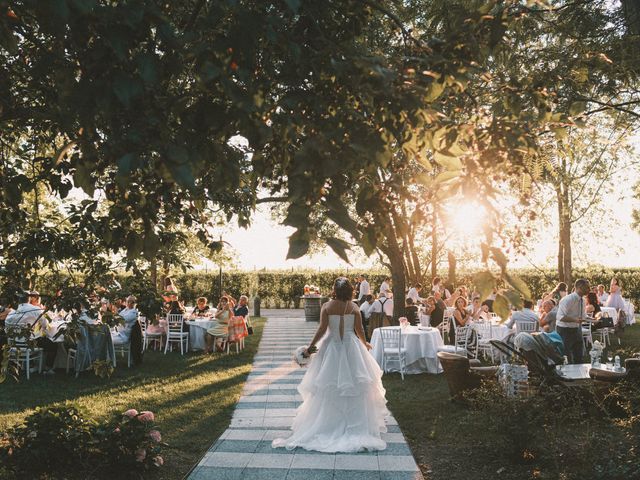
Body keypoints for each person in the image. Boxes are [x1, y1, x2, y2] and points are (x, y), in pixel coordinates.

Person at [272, 277, 389, 452]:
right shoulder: (354, 307)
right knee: (356, 385)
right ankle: (354, 425)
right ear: (350, 290)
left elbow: (322, 329)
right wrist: (364, 343)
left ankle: (327, 423)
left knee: (327, 385)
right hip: (351, 347)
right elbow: (359, 330)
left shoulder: (327, 306)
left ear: (335, 289)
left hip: (331, 346)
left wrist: (311, 347)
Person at [5, 292, 58, 374]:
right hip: (31, 343)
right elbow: (45, 325)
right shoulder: (36, 310)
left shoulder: (12, 312)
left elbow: (7, 327)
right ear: (29, 299)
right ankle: (48, 368)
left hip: (14, 343)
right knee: (53, 344)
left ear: (19, 300)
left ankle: (32, 365)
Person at [556, 279, 590, 364]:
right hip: (564, 330)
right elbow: (560, 317)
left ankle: (579, 375)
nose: (589, 289)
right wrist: (575, 320)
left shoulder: (583, 300)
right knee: (565, 356)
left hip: (577, 329)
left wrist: (594, 319)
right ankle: (566, 375)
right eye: (587, 287)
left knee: (579, 355)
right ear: (579, 287)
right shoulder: (568, 300)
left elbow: (583, 316)